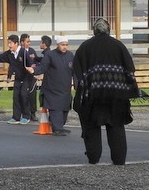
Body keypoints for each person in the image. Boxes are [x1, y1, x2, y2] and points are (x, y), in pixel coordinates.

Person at [72, 18, 139, 165]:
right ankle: (119, 159)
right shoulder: (118, 45)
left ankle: (94, 157)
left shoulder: (85, 47)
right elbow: (130, 70)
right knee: (116, 126)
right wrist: (129, 90)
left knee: (91, 126)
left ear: (94, 30)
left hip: (93, 96)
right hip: (116, 96)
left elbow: (77, 73)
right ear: (109, 30)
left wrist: (80, 92)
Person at [28, 35, 74, 136]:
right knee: (55, 108)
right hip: (52, 87)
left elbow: (74, 71)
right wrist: (34, 70)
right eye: (62, 45)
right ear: (58, 45)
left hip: (65, 87)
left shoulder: (70, 55)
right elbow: (43, 67)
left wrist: (76, 83)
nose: (64, 47)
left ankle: (60, 126)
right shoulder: (50, 55)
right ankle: (57, 129)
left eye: (66, 45)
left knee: (65, 108)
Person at [0, 34, 32, 125]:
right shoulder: (9, 54)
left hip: (26, 78)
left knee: (23, 95)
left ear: (16, 43)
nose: (9, 45)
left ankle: (26, 116)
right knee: (16, 96)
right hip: (17, 78)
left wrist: (33, 73)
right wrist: (9, 77)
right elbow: (1, 59)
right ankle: (16, 117)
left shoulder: (24, 52)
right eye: (8, 43)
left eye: (10, 43)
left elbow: (31, 64)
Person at [36, 35, 52, 108]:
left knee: (43, 95)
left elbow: (44, 66)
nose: (39, 44)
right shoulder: (47, 53)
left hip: (48, 80)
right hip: (47, 79)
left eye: (41, 42)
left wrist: (35, 71)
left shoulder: (47, 54)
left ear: (44, 44)